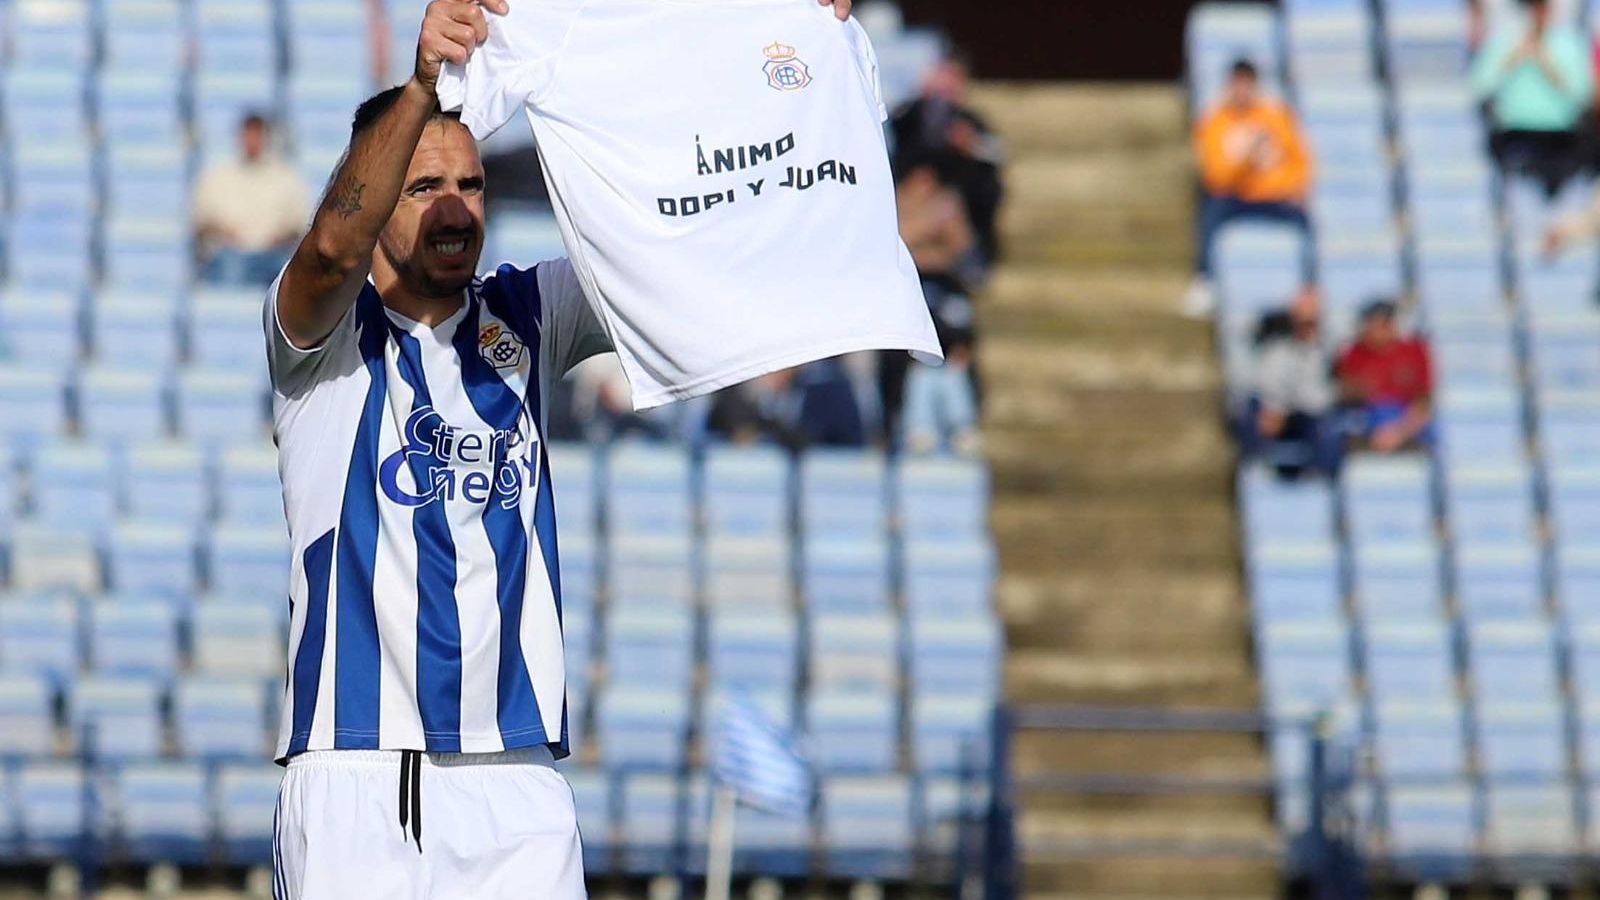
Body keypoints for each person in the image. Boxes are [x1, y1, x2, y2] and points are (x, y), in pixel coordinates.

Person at [263, 0, 857, 895]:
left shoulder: (528, 314)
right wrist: (425, 83)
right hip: (361, 773)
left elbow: (680, 233)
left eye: (470, 185)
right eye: (423, 187)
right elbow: (332, 248)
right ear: (379, 193)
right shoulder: (321, 339)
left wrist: (779, 44)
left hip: (521, 781)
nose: (455, 207)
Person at [1186, 59, 1314, 317]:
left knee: (1306, 222)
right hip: (1234, 197)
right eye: (1237, 85)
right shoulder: (1215, 121)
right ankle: (1205, 279)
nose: (1241, 91)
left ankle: (1308, 287)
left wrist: (1290, 187)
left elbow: (1300, 161)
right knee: (1209, 214)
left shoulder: (1276, 116)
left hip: (1272, 196)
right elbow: (1215, 175)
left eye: (1247, 85)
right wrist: (1246, 162)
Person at [890, 50, 1005, 269]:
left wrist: (970, 146)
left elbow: (995, 156)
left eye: (952, 79)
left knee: (946, 211)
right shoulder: (907, 116)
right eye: (941, 76)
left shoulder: (970, 124)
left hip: (953, 208)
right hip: (909, 201)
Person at [1471, 0, 1593, 195]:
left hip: (1562, 138)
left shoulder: (1569, 43)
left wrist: (1547, 64)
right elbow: (1479, 87)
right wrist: (1512, 59)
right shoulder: (1504, 42)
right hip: (1516, 136)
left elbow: (1582, 94)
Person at [192, 113, 311, 286]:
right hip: (230, 254)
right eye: (248, 135)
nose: (252, 141)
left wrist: (279, 237)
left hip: (274, 253)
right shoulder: (218, 176)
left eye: (257, 135)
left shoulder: (285, 177)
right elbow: (200, 222)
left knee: (290, 273)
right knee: (231, 268)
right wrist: (224, 232)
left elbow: (300, 226)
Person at [1250, 287, 1337, 477]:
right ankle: (1257, 476)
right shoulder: (1275, 345)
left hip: (1310, 414)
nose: (1306, 326)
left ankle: (1322, 482)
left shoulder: (1330, 348)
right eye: (1302, 320)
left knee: (1328, 430)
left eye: (1312, 321)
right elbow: (1268, 383)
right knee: (1251, 418)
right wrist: (1276, 408)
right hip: (1278, 410)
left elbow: (1322, 396)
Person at [1335, 300, 1435, 454]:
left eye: (1374, 324)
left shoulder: (1414, 351)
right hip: (1367, 418)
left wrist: (1399, 431)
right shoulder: (1355, 352)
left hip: (1406, 421)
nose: (1368, 329)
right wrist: (1357, 390)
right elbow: (1343, 393)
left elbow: (1424, 402)